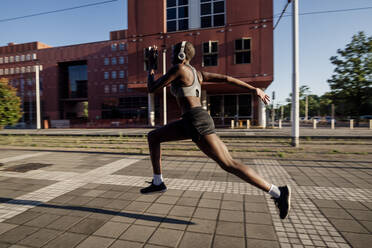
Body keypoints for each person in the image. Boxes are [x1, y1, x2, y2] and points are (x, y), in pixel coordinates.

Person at [141, 41, 291, 219]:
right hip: (190, 121)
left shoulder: (179, 69)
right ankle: (158, 181)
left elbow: (152, 88)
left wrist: (151, 66)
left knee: (229, 164)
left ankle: (278, 193)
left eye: (174, 52)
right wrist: (253, 89)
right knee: (154, 137)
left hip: (195, 121)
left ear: (182, 55)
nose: (171, 56)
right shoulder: (197, 74)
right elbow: (226, 78)